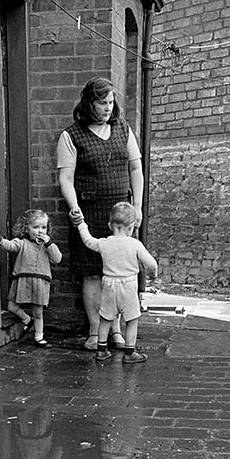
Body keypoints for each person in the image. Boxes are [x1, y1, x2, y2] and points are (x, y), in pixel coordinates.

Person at [57, 77, 144, 351]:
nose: (108, 108)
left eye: (110, 102)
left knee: (119, 275)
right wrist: (74, 208)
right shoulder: (71, 136)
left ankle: (116, 330)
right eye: (101, 102)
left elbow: (135, 170)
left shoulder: (123, 130)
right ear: (89, 103)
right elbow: (66, 178)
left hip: (120, 215)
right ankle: (96, 332)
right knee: (92, 274)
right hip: (89, 213)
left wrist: (137, 207)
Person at [77, 202, 158, 364]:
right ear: (132, 226)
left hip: (108, 285)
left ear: (109, 225)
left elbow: (87, 240)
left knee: (105, 318)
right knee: (131, 319)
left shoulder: (104, 243)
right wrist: (153, 275)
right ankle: (129, 352)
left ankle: (101, 350)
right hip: (127, 286)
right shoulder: (135, 244)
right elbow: (151, 264)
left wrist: (81, 224)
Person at [0, 208, 62, 348]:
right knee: (12, 306)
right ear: (27, 229)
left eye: (44, 227)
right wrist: (0, 240)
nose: (40, 231)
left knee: (38, 312)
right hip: (23, 279)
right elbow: (10, 246)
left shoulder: (48, 246)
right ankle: (27, 320)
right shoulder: (22, 243)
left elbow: (57, 259)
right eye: (36, 227)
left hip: (40, 281)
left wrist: (49, 243)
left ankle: (39, 337)